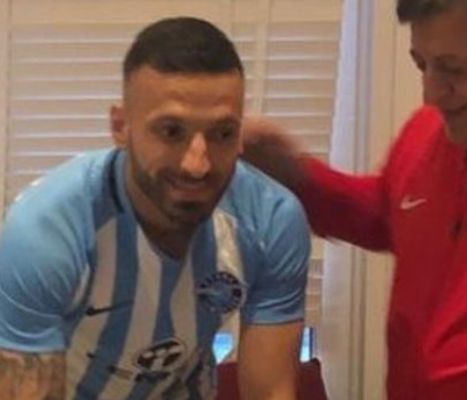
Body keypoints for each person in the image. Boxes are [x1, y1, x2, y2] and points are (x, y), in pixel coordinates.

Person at [242, 0, 467, 399]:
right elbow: (390, 216)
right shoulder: (432, 131)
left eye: (454, 69)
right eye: (421, 65)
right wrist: (294, 173)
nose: (431, 94)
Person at [0, 17, 311, 400]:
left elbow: (271, 391)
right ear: (120, 127)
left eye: (222, 134)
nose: (197, 164)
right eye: (171, 131)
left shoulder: (270, 222)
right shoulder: (46, 231)